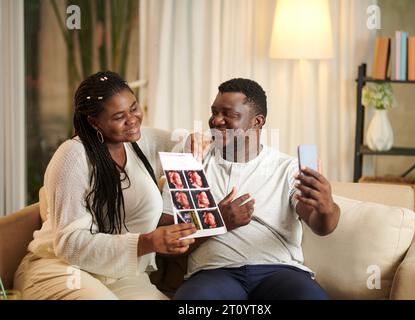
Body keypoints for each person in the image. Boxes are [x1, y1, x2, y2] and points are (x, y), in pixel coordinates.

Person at [13, 71, 196, 300]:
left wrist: (195, 140)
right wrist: (147, 242)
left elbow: (183, 143)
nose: (132, 119)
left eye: (134, 107)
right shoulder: (73, 156)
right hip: (62, 268)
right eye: (119, 116)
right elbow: (69, 244)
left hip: (122, 274)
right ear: (94, 121)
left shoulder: (140, 142)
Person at [162, 78, 340, 300]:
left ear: (257, 122)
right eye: (214, 112)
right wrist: (217, 221)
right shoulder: (191, 159)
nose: (216, 120)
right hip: (214, 273)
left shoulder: (286, 168)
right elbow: (166, 241)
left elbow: (322, 226)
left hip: (279, 272)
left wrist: (326, 207)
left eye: (229, 114)